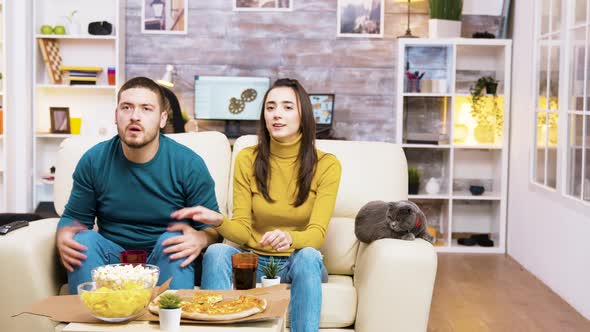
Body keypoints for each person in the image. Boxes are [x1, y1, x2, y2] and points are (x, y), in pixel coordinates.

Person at [171, 78, 342, 332]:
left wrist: (290, 238)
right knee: (218, 252)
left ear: (303, 114)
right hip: (253, 260)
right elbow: (241, 229)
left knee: (308, 255)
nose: (277, 114)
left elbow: (317, 234)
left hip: (297, 260)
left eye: (287, 107)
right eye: (270, 107)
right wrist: (219, 221)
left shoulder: (327, 165)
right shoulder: (247, 159)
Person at [56, 77, 220, 294]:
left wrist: (200, 238)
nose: (135, 116)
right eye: (127, 107)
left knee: (174, 240)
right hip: (113, 261)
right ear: (116, 115)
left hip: (165, 257)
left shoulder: (189, 164)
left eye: (146, 108)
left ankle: (170, 321)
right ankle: (91, 322)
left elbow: (214, 228)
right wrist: (63, 233)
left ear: (162, 119)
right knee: (82, 239)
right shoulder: (94, 160)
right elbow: (74, 219)